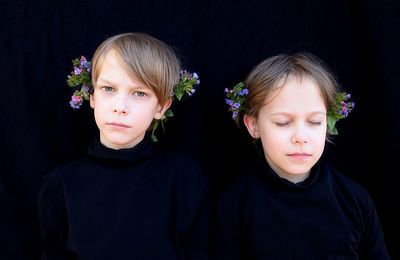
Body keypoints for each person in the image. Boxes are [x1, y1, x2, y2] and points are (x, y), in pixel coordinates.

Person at [38, 32, 208, 259]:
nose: (120, 106)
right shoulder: (62, 184)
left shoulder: (183, 177)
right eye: (108, 89)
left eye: (139, 93)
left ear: (161, 106)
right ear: (92, 96)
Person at [212, 52, 390, 259]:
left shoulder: (354, 200)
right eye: (283, 123)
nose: (301, 137)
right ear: (253, 125)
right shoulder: (236, 204)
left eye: (314, 122)